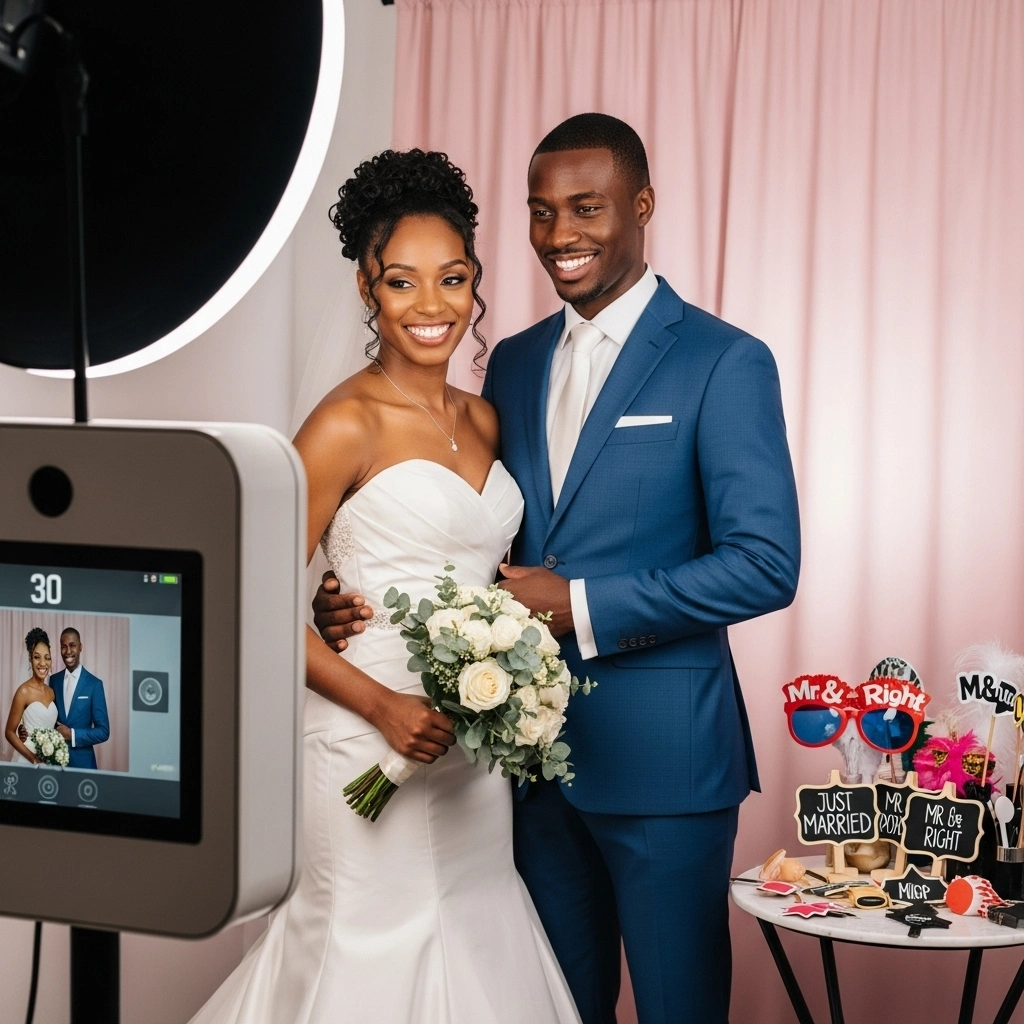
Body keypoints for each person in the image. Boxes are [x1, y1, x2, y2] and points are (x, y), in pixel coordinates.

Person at [313, 114, 801, 1024]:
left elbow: (765, 565)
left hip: (665, 765)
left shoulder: (723, 362)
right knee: (546, 1008)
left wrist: (578, 604)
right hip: (515, 772)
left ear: (643, 206)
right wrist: (342, 601)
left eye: (586, 208)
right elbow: (461, 537)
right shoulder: (516, 363)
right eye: (541, 213)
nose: (561, 236)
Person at [189, 149, 579, 1024]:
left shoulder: (483, 416)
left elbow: (481, 569)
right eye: (403, 283)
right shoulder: (343, 422)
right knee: (359, 950)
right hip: (365, 743)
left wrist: (506, 678)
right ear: (368, 290)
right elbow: (244, 599)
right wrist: (381, 704)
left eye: (452, 278)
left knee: (474, 937)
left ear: (476, 280)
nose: (432, 306)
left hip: (469, 755)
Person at [22, 627, 109, 770]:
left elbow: (103, 731)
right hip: (55, 764)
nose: (68, 651)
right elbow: (47, 716)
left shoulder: (95, 685)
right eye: (64, 647)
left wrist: (72, 735)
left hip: (83, 765)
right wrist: (25, 730)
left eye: (72, 646)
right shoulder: (54, 680)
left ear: (80, 647)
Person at [5, 628, 58, 764]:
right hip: (26, 758)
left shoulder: (51, 692)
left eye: (47, 658)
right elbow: (9, 732)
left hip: (48, 759)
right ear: (30, 659)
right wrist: (33, 758)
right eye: (36, 657)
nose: (42, 663)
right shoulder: (23, 691)